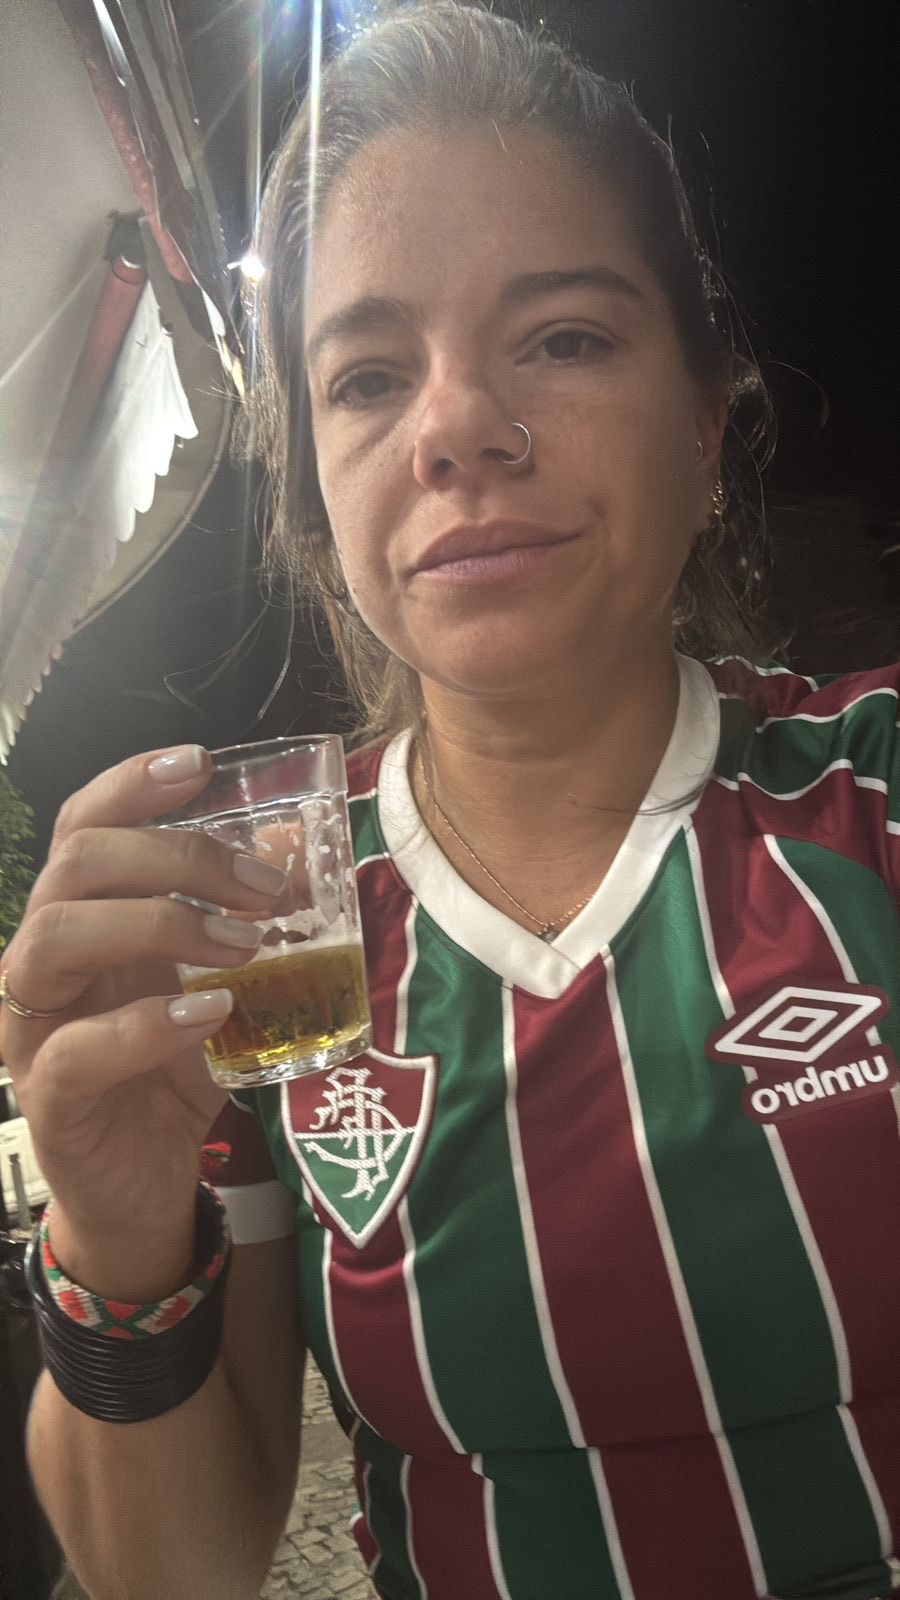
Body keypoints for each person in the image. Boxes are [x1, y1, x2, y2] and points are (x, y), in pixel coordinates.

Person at [2, 5, 899, 1598]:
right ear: (314, 495)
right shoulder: (259, 935)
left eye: (565, 339)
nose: (456, 427)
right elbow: (174, 1572)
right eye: (366, 376)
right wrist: (112, 1233)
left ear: (708, 417)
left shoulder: (871, 805)